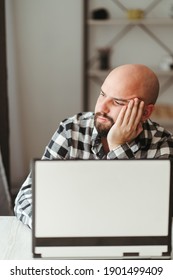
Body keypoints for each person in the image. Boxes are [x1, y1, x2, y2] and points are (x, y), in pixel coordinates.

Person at [14, 64, 173, 228]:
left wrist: (117, 147)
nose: (102, 107)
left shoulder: (162, 145)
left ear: (145, 113)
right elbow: (27, 196)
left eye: (118, 102)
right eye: (102, 94)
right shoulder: (72, 130)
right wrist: (53, 227)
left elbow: (147, 216)